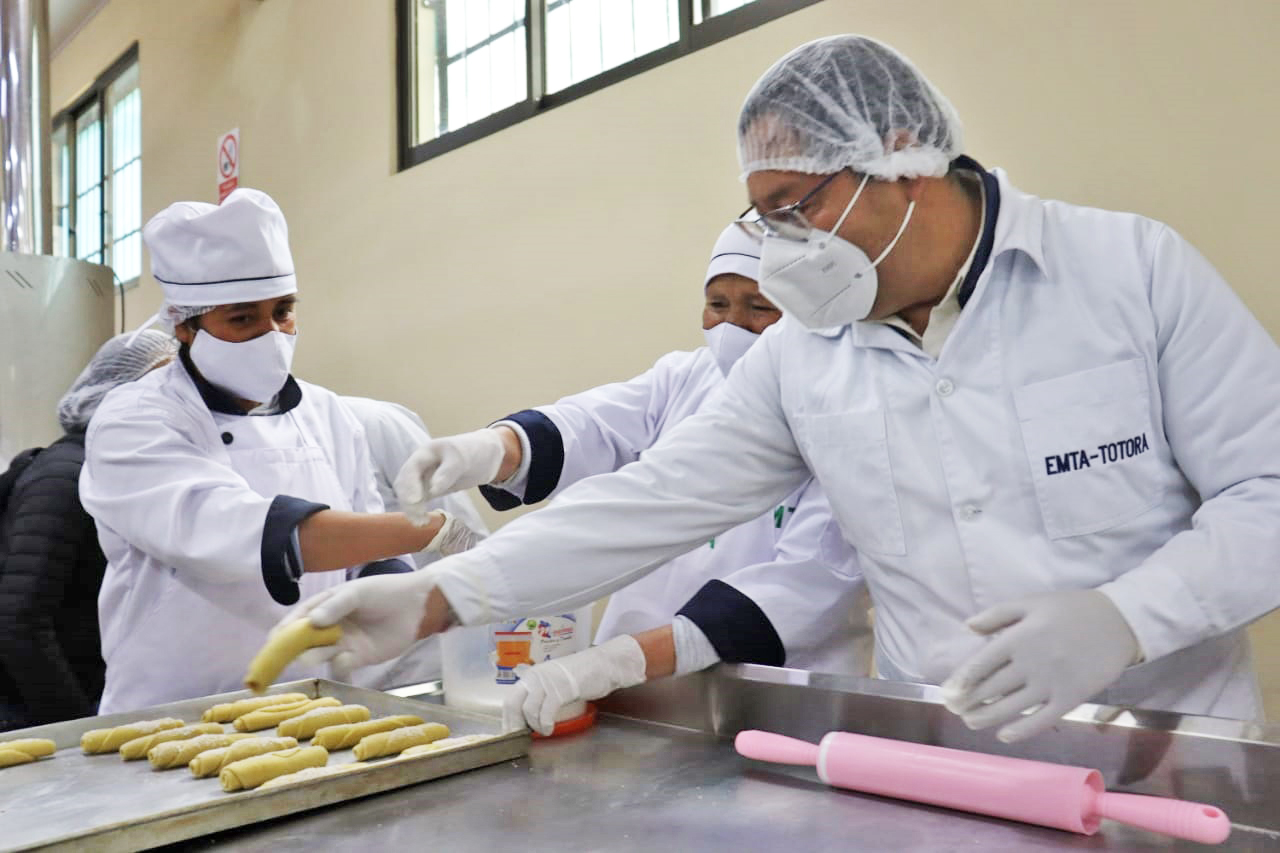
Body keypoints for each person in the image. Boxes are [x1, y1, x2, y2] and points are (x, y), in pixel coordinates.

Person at [281, 35, 1280, 743]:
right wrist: (442, 597)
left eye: (792, 209)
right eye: (763, 222)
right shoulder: (804, 352)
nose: (782, 256)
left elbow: (1267, 493)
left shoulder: (1128, 273)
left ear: (899, 156)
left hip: (1170, 749)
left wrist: (1127, 617)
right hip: (942, 761)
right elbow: (653, 498)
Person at [394, 225, 868, 732]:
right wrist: (493, 449)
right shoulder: (686, 378)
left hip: (773, 707)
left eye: (758, 306)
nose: (732, 326)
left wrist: (614, 662)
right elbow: (593, 425)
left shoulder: (841, 412)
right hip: (639, 700)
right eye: (717, 304)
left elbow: (802, 587)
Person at [80, 189, 480, 712]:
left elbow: (367, 548)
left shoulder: (327, 413)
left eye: (283, 313)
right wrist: (432, 529)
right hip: (173, 711)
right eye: (243, 319)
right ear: (184, 324)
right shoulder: (135, 420)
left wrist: (396, 594)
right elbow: (236, 530)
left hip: (313, 701)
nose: (271, 335)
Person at [0, 331, 176, 728]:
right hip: (31, 714)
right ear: (114, 393)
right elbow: (19, 618)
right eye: (160, 388)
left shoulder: (119, 470)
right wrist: (77, 728)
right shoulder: (65, 476)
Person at [340, 395, 489, 688]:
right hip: (312, 681)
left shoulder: (374, 424)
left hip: (418, 675)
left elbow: (470, 544)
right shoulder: (223, 447)